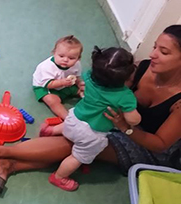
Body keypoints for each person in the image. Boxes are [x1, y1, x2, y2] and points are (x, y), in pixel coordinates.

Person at [0, 25, 181, 194]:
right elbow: (111, 85)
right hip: (114, 122)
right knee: (80, 137)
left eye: (164, 52)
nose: (152, 54)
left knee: (77, 142)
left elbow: (160, 144)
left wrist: (124, 127)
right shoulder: (143, 68)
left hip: (148, 148)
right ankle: (7, 165)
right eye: (154, 47)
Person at [44, 47, 142, 191]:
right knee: (77, 157)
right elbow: (133, 120)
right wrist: (135, 116)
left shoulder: (88, 76)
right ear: (127, 78)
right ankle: (59, 177)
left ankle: (51, 131)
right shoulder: (125, 96)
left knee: (70, 126)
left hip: (73, 118)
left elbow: (83, 85)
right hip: (91, 134)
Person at [32, 35, 84, 119]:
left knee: (84, 89)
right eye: (61, 56)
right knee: (52, 101)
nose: (65, 60)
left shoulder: (76, 65)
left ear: (78, 58)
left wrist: (79, 83)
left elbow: (76, 76)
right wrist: (62, 82)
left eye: (71, 58)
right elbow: (48, 84)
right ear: (54, 53)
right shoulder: (47, 67)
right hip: (46, 86)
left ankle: (92, 102)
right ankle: (67, 118)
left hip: (65, 83)